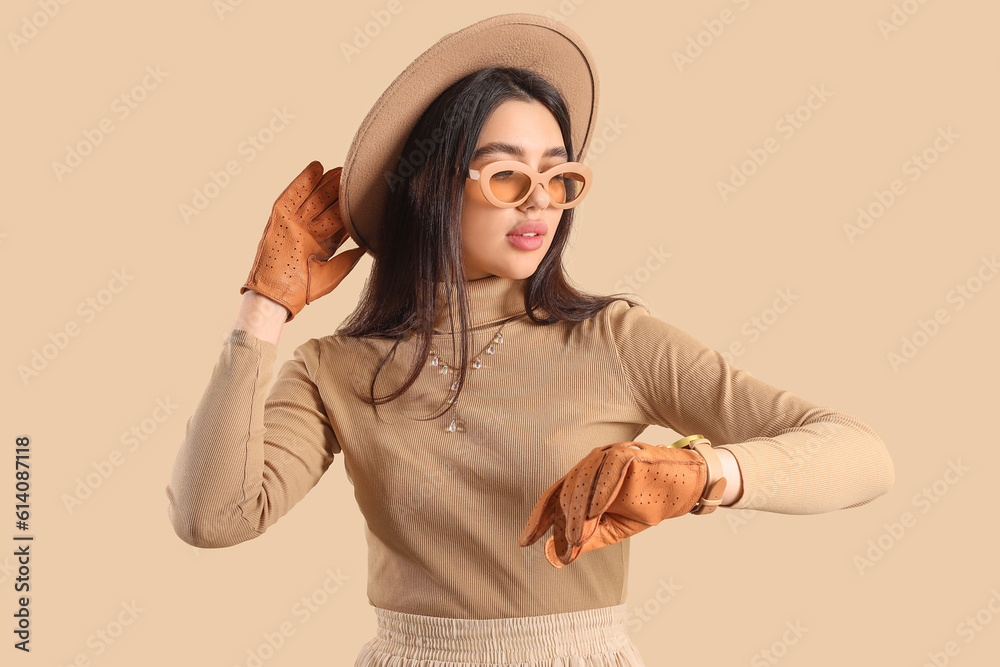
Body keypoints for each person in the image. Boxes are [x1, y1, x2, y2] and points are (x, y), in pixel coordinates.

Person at [165, 14, 895, 666]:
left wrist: (706, 474)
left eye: (558, 175)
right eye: (509, 174)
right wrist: (262, 309)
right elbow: (210, 517)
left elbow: (861, 453)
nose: (541, 200)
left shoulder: (614, 339)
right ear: (428, 186)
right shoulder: (334, 369)